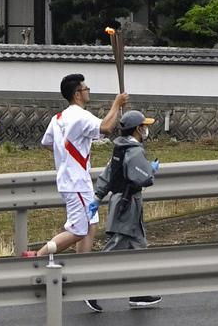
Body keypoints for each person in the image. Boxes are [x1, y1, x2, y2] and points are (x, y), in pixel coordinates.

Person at [35, 73, 128, 314]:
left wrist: (64, 156)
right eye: (86, 88)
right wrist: (117, 104)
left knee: (90, 225)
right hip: (76, 182)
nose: (88, 91)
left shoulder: (58, 118)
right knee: (78, 229)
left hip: (75, 181)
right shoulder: (79, 116)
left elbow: (46, 143)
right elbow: (106, 127)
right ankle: (37, 258)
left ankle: (81, 275)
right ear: (77, 94)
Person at [90, 109, 162, 311]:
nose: (146, 129)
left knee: (138, 246)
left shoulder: (120, 148)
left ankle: (138, 293)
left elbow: (108, 174)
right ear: (138, 129)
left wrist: (98, 197)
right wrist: (151, 169)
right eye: (144, 126)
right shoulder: (135, 151)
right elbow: (144, 178)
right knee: (115, 247)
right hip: (128, 205)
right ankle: (89, 288)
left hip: (123, 201)